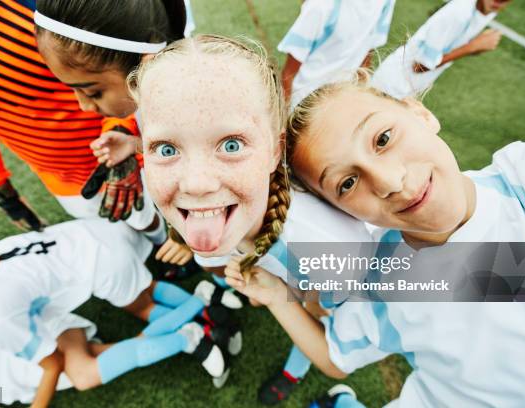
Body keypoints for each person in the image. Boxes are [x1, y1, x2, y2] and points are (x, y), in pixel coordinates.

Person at [224, 77, 525, 407]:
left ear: (419, 113)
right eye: (347, 183)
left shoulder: (523, 178)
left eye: (383, 139)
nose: (389, 181)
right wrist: (275, 295)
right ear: (345, 214)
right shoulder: (383, 278)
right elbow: (336, 357)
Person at [127, 34, 373, 404]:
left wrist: (283, 297)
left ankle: (295, 368)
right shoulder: (209, 218)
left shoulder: (330, 246)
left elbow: (328, 323)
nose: (196, 183)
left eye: (231, 145)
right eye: (166, 148)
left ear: (276, 152)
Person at [0, 218, 241, 403]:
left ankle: (196, 316)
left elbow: (51, 366)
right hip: (88, 235)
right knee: (142, 299)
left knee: (142, 306)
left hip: (101, 261)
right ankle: (203, 310)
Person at [34, 0, 198, 266]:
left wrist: (190, 238)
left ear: (145, 63)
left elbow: (210, 173)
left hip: (231, 236)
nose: (84, 106)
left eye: (92, 92)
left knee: (269, 284)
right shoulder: (154, 92)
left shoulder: (196, 109)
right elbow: (183, 151)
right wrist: (134, 144)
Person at [371, 0, 511, 99]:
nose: (499, 3)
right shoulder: (458, 14)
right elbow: (420, 66)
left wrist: (477, 47)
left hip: (406, 90)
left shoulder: (488, 10)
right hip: (389, 87)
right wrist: (473, 47)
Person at [278, 0, 396, 107]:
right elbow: (289, 74)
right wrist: (285, 119)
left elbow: (367, 50)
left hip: (342, 99)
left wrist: (360, 94)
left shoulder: (385, 2)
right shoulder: (321, 6)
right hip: (305, 103)